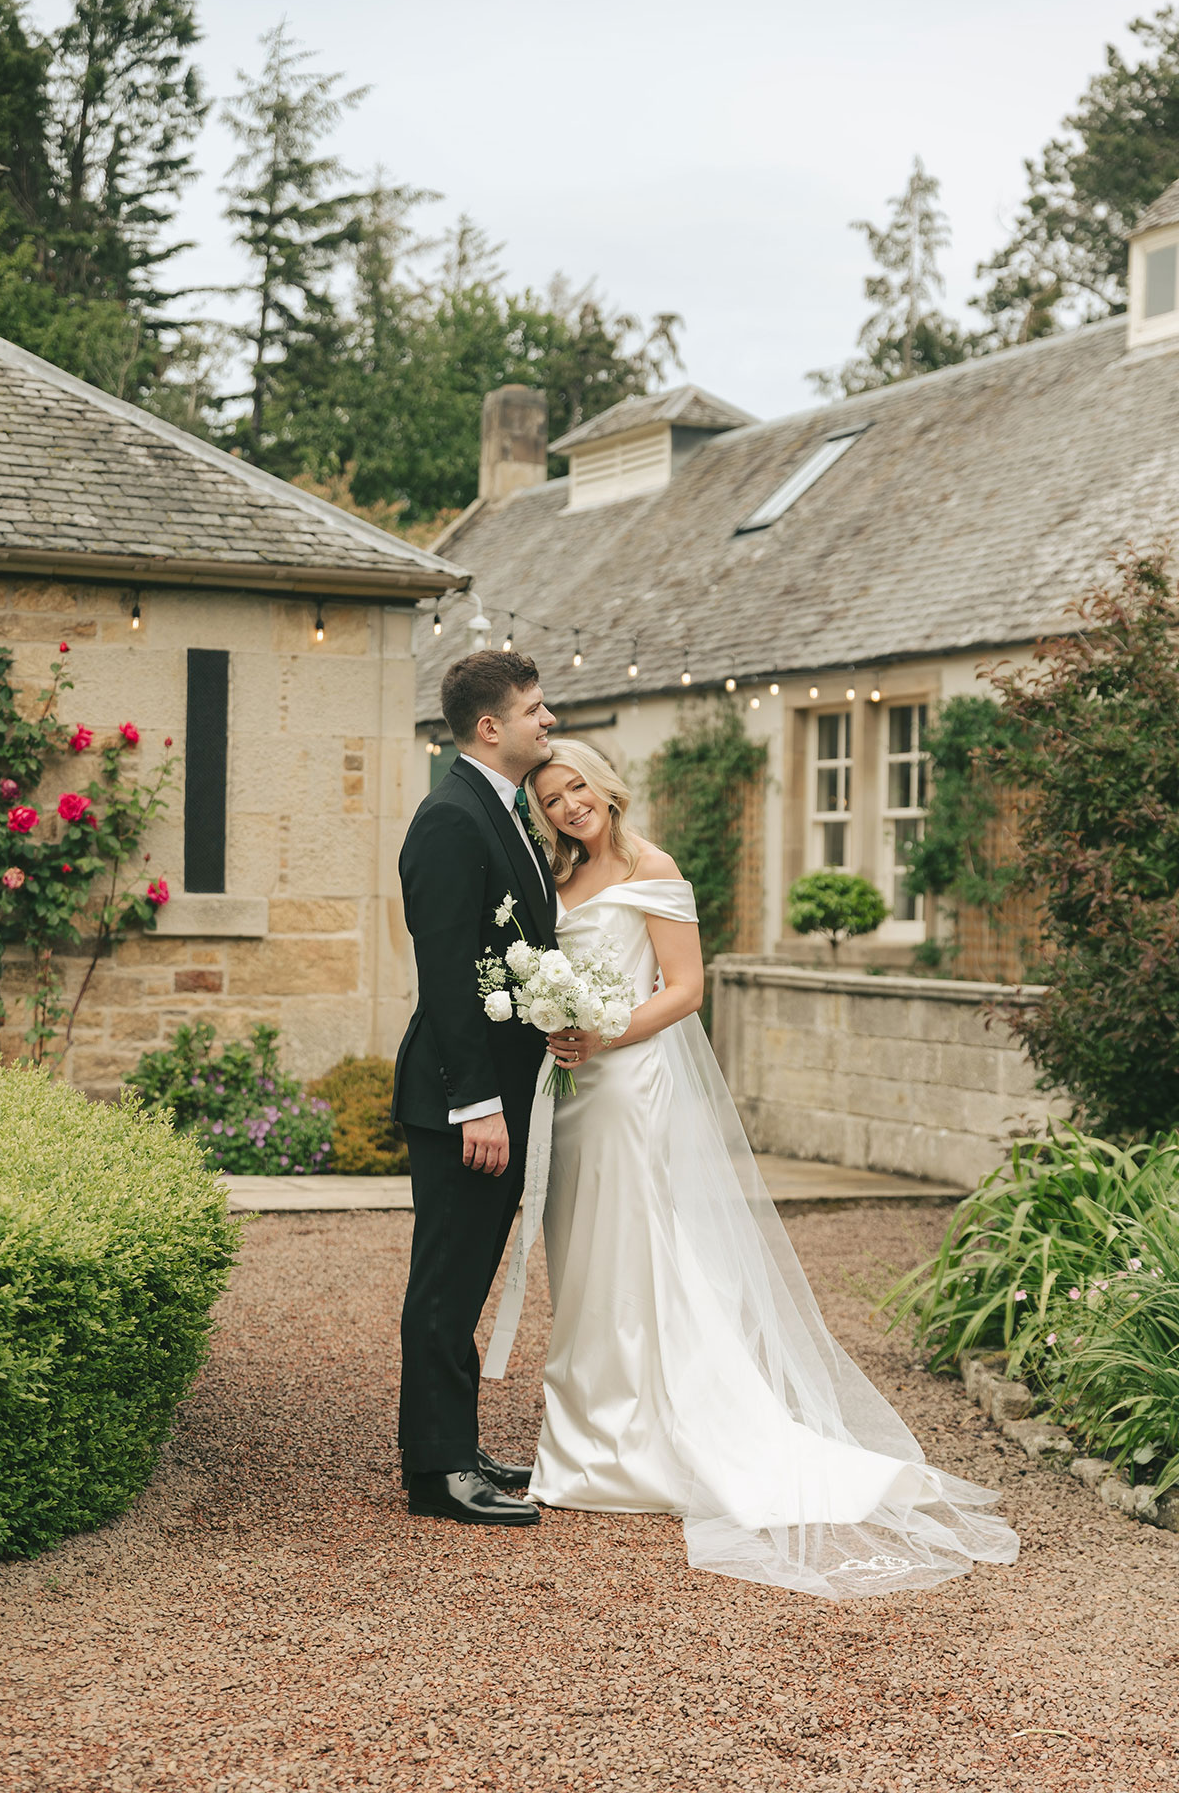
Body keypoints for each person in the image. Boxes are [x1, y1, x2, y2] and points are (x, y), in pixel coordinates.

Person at [522, 739, 1020, 1598]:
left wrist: (607, 1032)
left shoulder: (653, 865)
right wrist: (558, 1028)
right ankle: (587, 1443)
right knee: (579, 1254)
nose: (570, 806)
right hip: (573, 1088)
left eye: (577, 788)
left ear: (606, 786)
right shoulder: (555, 883)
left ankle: (641, 1443)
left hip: (628, 1080)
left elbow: (684, 989)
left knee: (635, 1247)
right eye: (552, 799)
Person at [392, 650, 557, 1526]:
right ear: (489, 726)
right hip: (465, 1100)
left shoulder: (507, 812)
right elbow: (450, 975)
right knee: (447, 1283)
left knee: (466, 1278)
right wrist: (478, 1105)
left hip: (503, 1090)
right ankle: (437, 1472)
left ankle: (455, 1442)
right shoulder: (451, 818)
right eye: (536, 709)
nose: (549, 720)